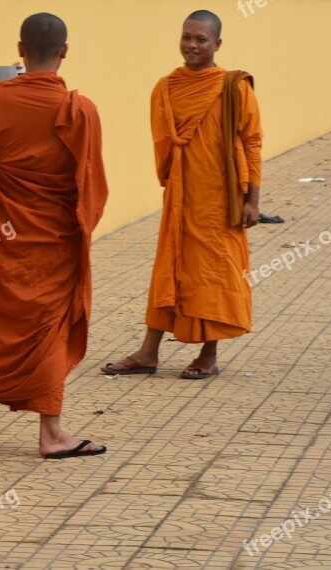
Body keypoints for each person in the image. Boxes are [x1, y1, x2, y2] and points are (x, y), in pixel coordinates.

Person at [0, 13, 109, 459]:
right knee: (47, 328)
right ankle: (51, 433)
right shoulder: (80, 111)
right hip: (52, 244)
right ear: (64, 52)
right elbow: (92, 189)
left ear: (19, 51)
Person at [102, 10, 262, 379]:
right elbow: (163, 140)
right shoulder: (167, 86)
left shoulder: (234, 86)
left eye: (201, 39)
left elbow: (252, 142)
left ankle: (209, 353)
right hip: (180, 196)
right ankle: (148, 352)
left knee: (214, 273)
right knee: (170, 268)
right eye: (186, 37)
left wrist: (253, 200)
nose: (191, 45)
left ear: (217, 44)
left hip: (221, 200)